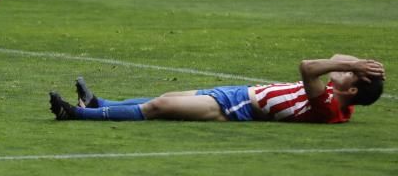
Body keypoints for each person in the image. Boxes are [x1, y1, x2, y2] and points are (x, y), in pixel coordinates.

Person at [49, 55, 385, 123]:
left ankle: (77, 113)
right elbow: (334, 60)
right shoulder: (339, 100)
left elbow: (308, 66)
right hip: (239, 93)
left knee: (159, 106)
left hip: (235, 111)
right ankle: (98, 102)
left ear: (352, 90)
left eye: (348, 73)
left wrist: (356, 67)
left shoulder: (327, 105)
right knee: (166, 99)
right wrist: (358, 65)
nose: (341, 68)